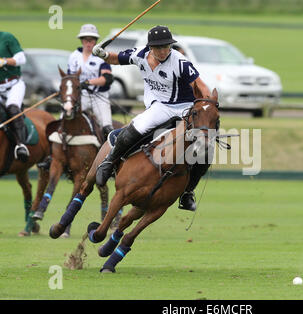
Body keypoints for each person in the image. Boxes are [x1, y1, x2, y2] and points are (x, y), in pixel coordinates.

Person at [92, 25, 212, 211]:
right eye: (159, 47)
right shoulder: (139, 54)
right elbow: (116, 59)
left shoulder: (180, 62)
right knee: (135, 128)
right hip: (161, 107)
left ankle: (187, 193)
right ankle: (109, 161)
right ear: (150, 48)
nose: (164, 51)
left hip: (185, 108)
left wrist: (206, 108)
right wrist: (103, 55)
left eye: (167, 46)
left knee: (204, 149)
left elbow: (202, 87)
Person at [67, 24, 115, 140]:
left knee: (107, 127)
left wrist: (88, 82)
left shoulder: (101, 56)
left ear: (96, 41)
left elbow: (107, 79)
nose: (88, 43)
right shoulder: (74, 56)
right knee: (65, 118)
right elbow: (70, 78)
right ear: (81, 40)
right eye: (85, 40)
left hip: (98, 97)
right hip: (80, 96)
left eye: (91, 40)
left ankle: (109, 153)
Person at [0, 31, 29, 162]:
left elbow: (22, 58)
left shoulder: (7, 38)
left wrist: (5, 61)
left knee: (12, 108)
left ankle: (20, 145)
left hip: (14, 84)